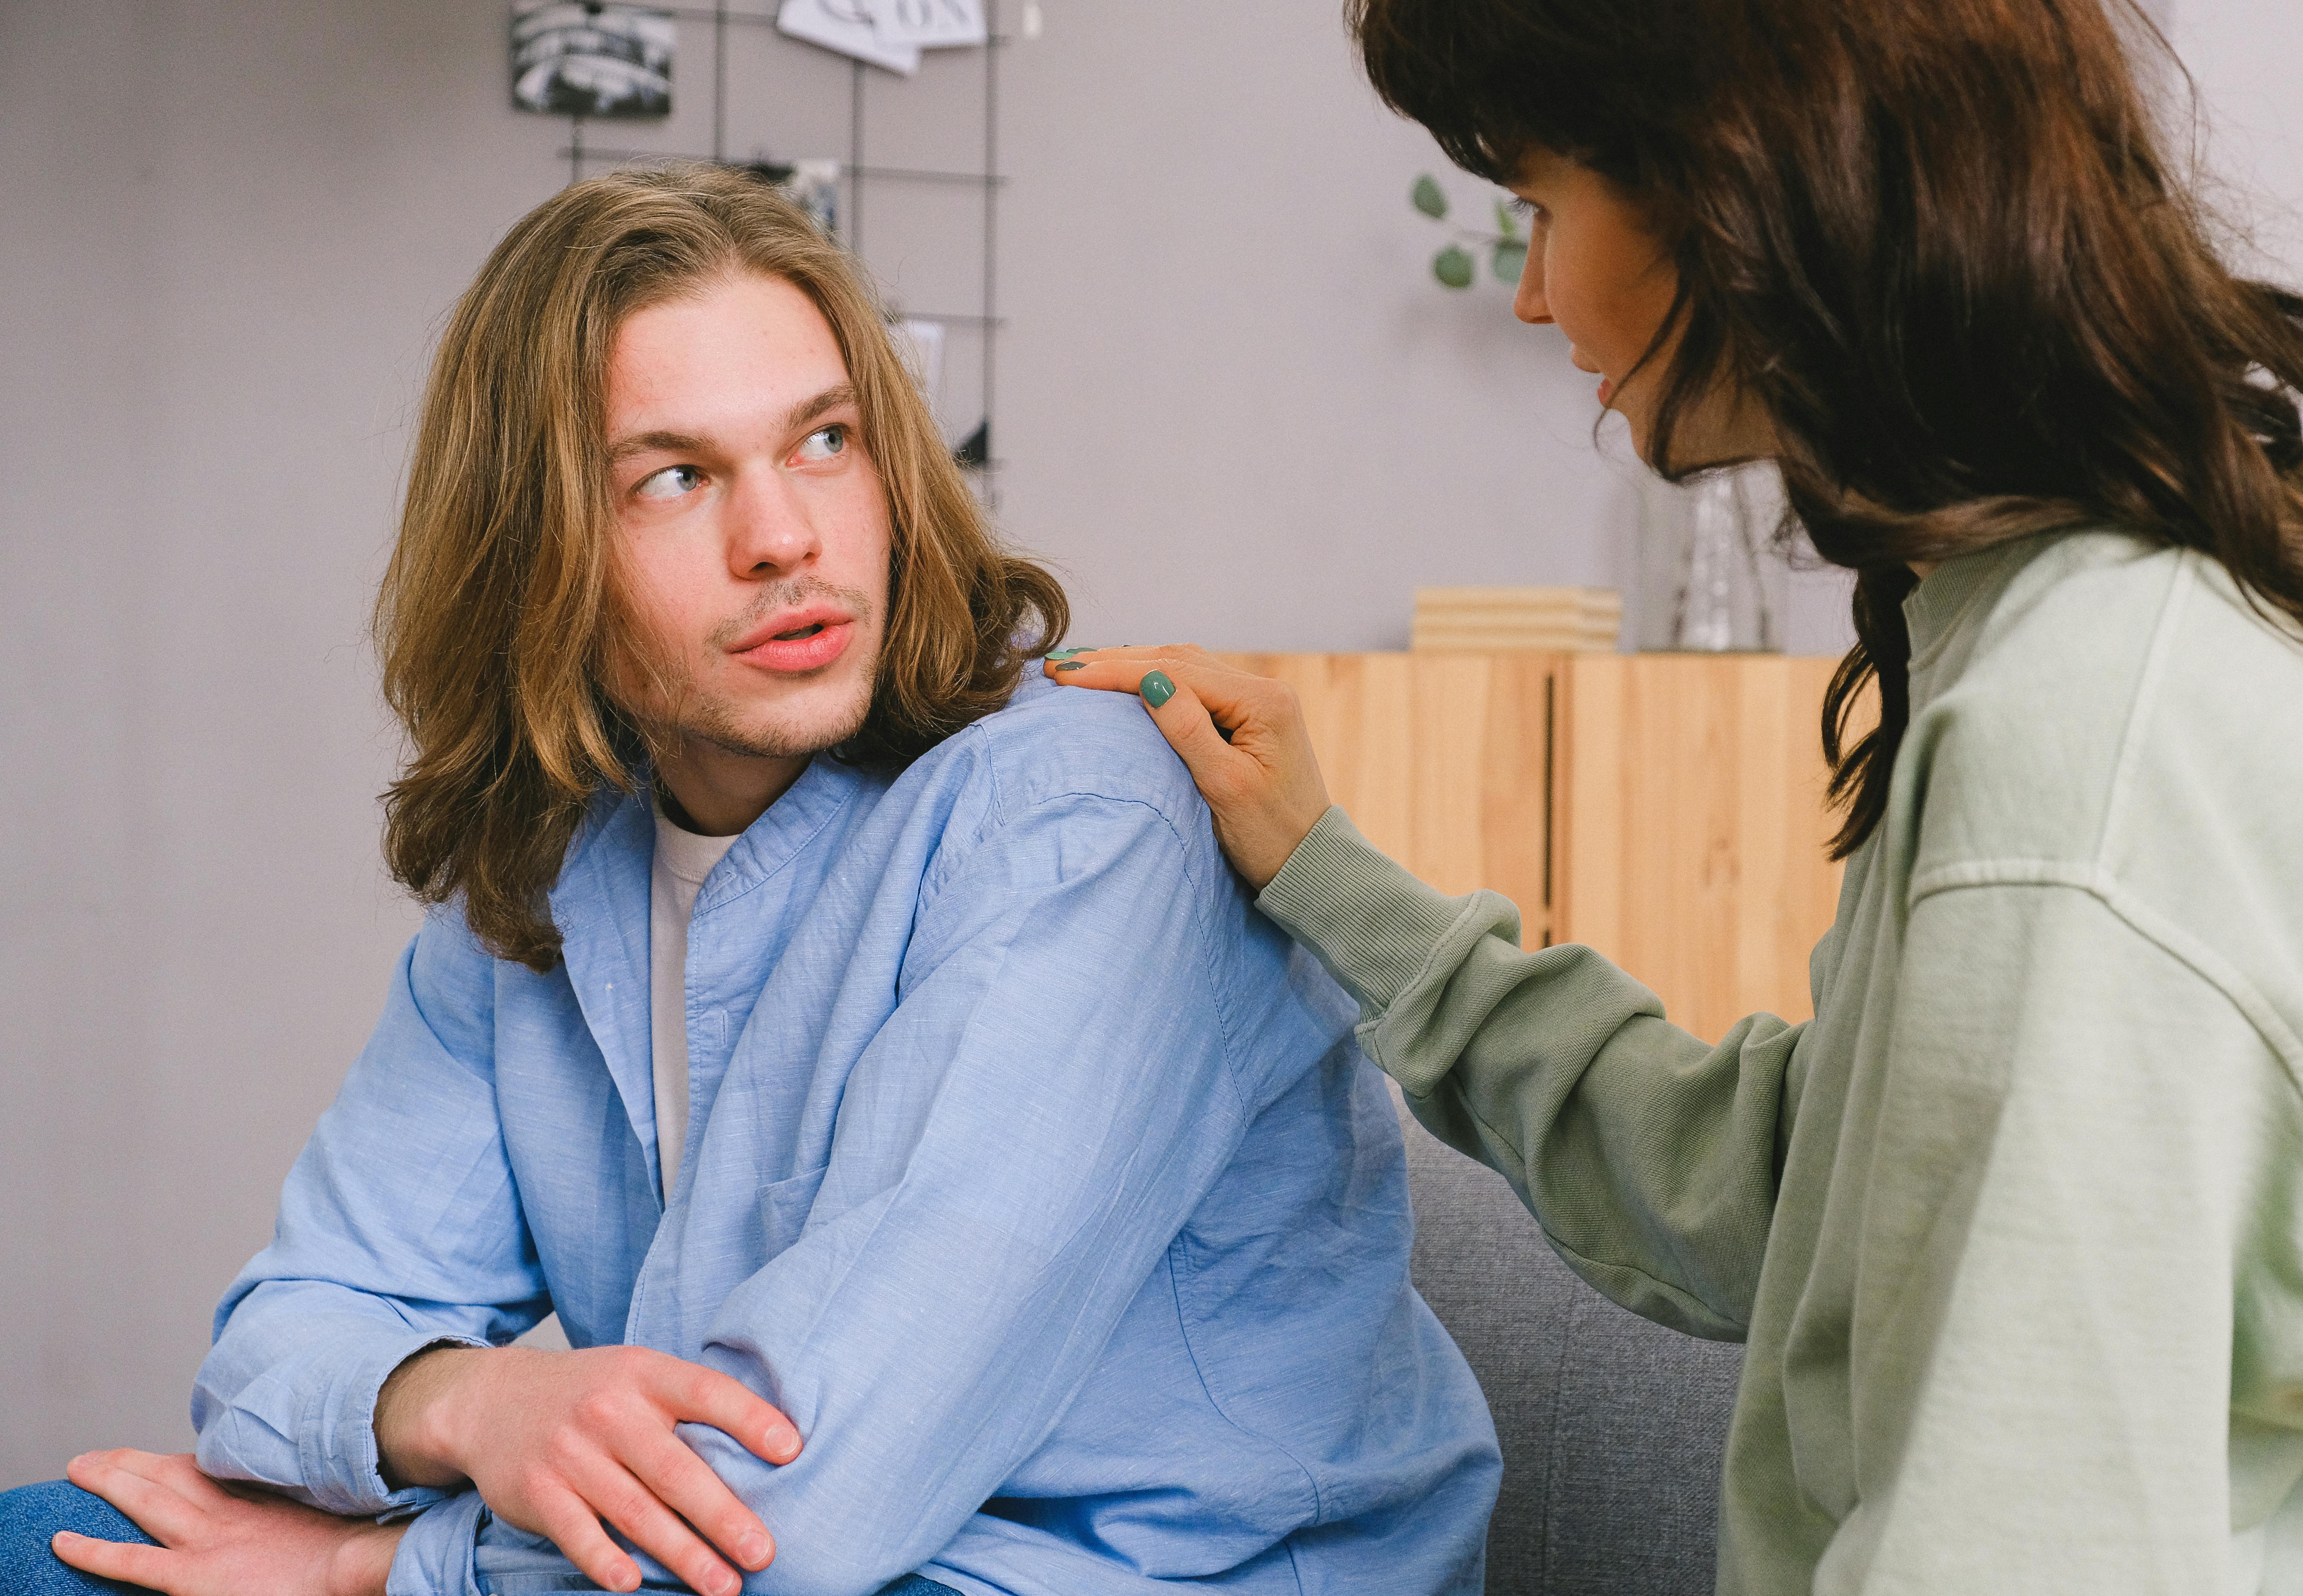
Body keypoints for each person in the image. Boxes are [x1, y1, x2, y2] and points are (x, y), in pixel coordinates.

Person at [0, 164, 1498, 1596]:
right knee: (49, 1540)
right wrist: (470, 1403)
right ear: (544, 558)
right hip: (771, 1560)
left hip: (1123, 1575)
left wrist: (382, 1562)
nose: (784, 535)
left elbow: (801, 1504)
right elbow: (279, 1346)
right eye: (674, 478)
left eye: (826, 442)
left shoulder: (1087, 822)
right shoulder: (544, 876)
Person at [1050, 0, 2303, 1589]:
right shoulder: (2052, 635)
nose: (1538, 291)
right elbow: (1799, 1193)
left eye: (1543, 206)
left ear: (1738, 184)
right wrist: (1333, 876)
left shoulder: (2089, 750)